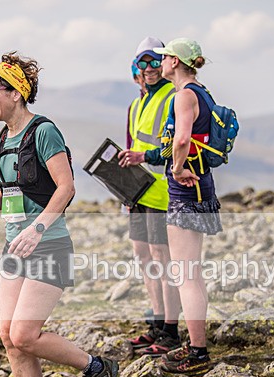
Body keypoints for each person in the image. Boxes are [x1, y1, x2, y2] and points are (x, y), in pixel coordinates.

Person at [0, 52, 118, 377]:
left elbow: (65, 188)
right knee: (8, 335)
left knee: (25, 334)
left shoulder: (44, 131)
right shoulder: (4, 138)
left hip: (48, 244)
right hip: (14, 247)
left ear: (16, 93)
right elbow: (15, 191)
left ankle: (96, 368)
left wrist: (37, 228)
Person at [153, 37, 222, 376]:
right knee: (191, 273)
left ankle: (197, 352)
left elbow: (181, 138)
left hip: (185, 191)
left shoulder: (183, 95)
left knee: (186, 274)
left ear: (176, 62)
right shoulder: (203, 93)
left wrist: (177, 168)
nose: (161, 62)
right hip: (203, 186)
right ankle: (196, 345)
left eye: (165, 57)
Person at [117, 37, 182, 356]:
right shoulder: (137, 104)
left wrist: (144, 158)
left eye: (155, 61)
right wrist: (124, 189)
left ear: (165, 63)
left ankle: (171, 330)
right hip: (138, 193)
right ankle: (157, 323)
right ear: (136, 68)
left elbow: (176, 144)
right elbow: (132, 147)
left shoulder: (173, 96)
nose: (149, 68)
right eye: (143, 62)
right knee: (143, 256)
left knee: (162, 259)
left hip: (163, 193)